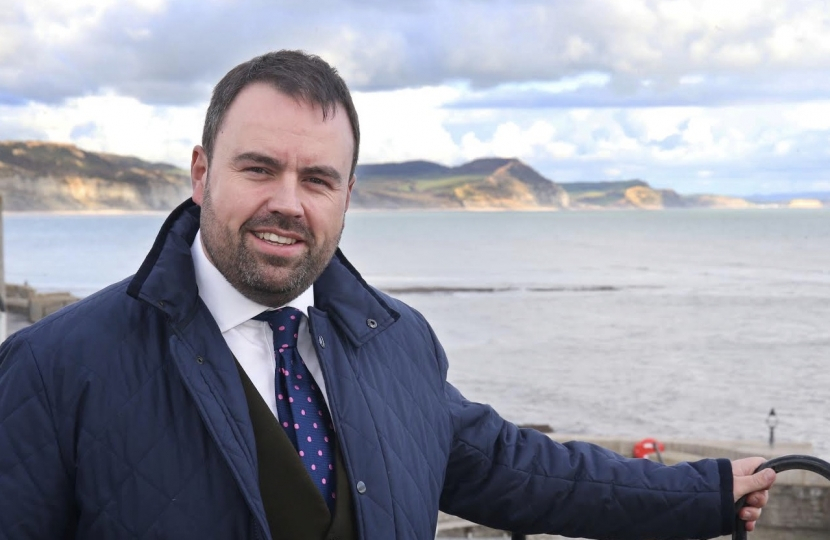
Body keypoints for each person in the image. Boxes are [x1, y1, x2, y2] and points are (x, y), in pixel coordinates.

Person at [0, 50, 775, 540]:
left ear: (347, 196)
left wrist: (701, 493)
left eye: (317, 179)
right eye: (259, 168)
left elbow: (521, 471)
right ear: (202, 174)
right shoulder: (52, 367)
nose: (287, 203)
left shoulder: (397, 343)